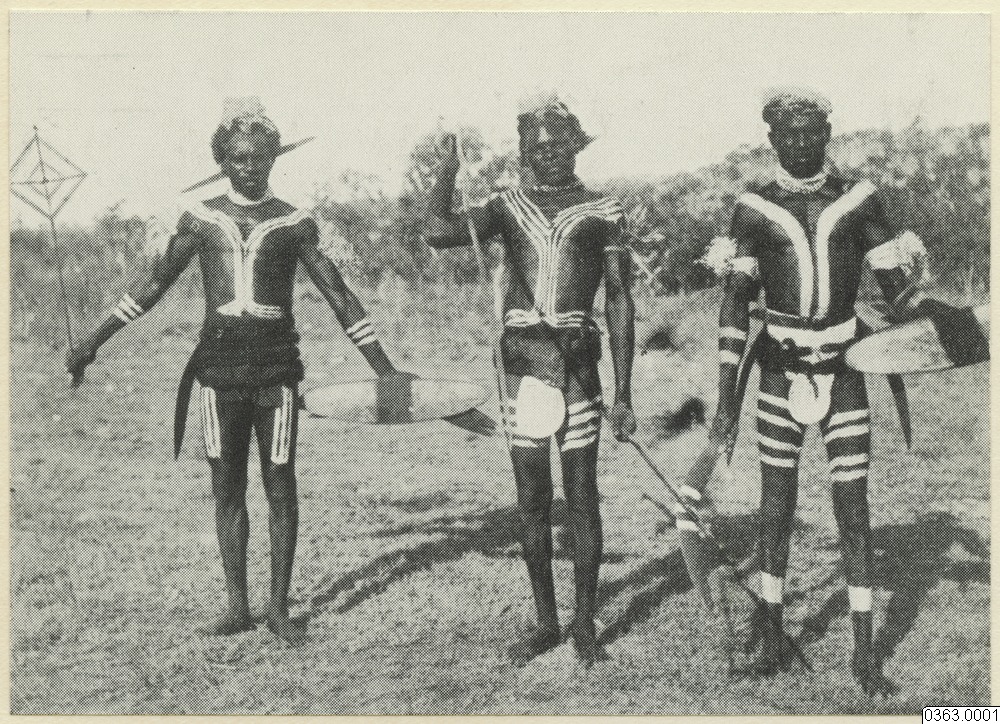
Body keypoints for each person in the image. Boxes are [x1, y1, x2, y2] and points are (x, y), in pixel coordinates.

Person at [66, 98, 407, 645]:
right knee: (227, 487)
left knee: (280, 484)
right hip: (218, 372)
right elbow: (153, 285)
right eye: (240, 159)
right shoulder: (201, 221)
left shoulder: (293, 223)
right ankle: (236, 606)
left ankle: (277, 609)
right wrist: (92, 340)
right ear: (222, 161)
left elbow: (340, 296)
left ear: (274, 158)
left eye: (260, 158)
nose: (251, 168)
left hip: (275, 373)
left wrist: (386, 371)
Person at [704, 87, 923, 694]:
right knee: (776, 504)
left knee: (853, 505)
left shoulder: (858, 199)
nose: (801, 143)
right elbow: (735, 307)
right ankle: (772, 635)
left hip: (846, 367)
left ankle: (864, 653)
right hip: (778, 369)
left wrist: (927, 313)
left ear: (828, 133)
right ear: (771, 138)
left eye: (812, 131)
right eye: (789, 133)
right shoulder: (753, 209)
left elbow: (897, 291)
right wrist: (726, 401)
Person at [425, 96, 637, 667]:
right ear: (523, 152)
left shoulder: (603, 211)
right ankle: (546, 621)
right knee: (532, 499)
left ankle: (585, 623)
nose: (547, 156)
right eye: (536, 148)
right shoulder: (506, 206)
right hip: (522, 366)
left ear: (576, 145)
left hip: (578, 365)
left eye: (558, 144)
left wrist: (624, 393)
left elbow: (619, 299)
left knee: (582, 495)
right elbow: (439, 231)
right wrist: (445, 172)